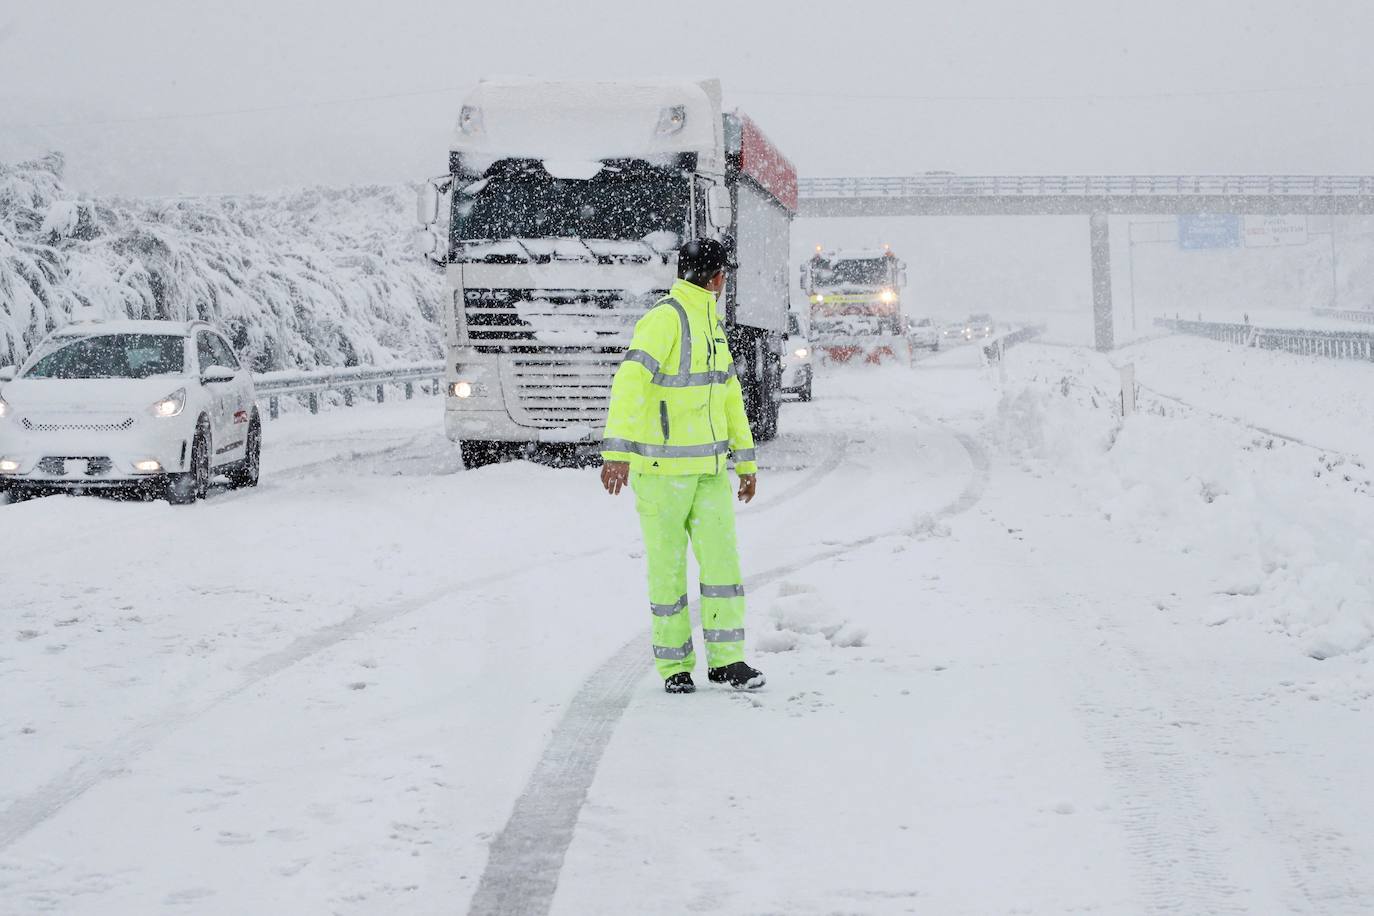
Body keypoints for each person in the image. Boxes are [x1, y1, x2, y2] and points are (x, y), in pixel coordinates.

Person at [600, 239, 766, 694]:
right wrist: (616, 452)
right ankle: (675, 666)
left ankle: (726, 661)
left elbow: (730, 396)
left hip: (710, 473)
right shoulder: (664, 319)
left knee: (722, 567)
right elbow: (629, 381)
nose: (724, 282)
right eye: (723, 275)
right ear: (715, 279)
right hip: (661, 473)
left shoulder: (711, 324)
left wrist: (745, 461)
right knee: (668, 569)